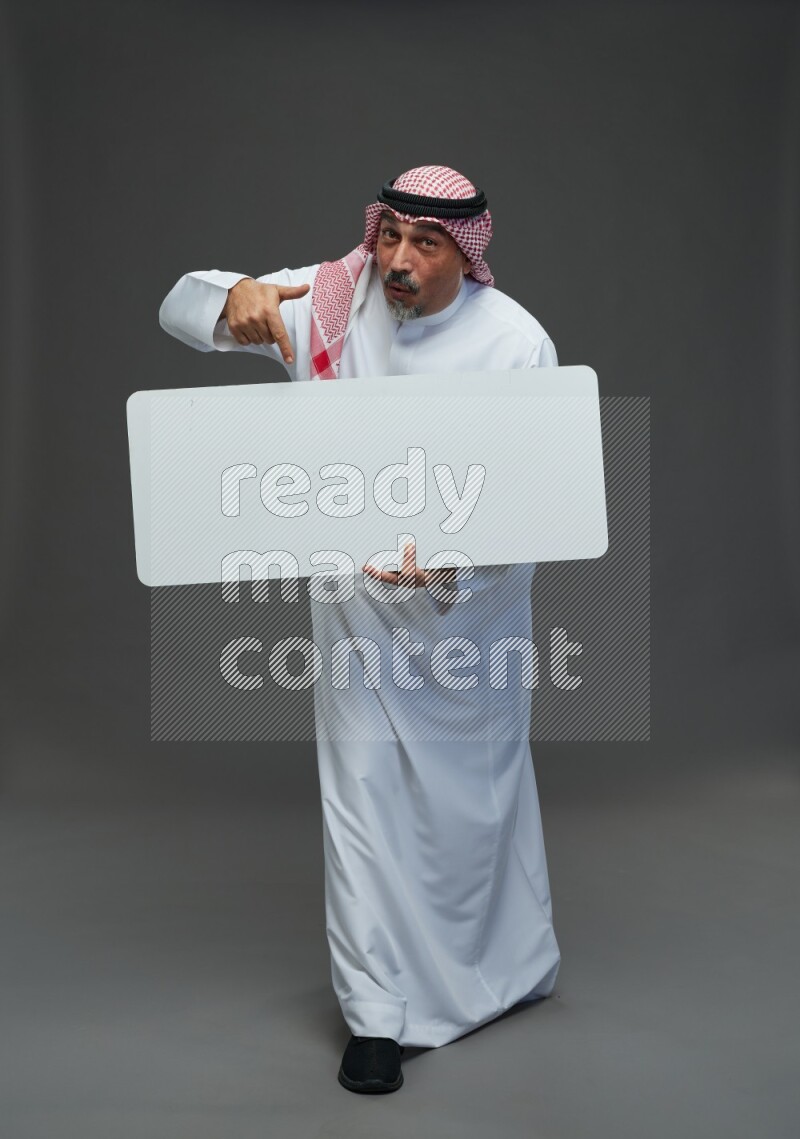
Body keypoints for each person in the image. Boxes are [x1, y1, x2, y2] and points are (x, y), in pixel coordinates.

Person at [159, 165, 561, 1095]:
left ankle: (509, 970)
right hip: (356, 622)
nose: (400, 261)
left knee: (483, 800)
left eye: (427, 244)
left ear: (469, 251)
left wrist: (461, 566)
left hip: (471, 621)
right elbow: (185, 308)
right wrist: (239, 301)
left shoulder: (516, 344)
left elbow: (540, 496)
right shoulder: (329, 301)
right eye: (391, 237)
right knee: (368, 804)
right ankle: (378, 1016)